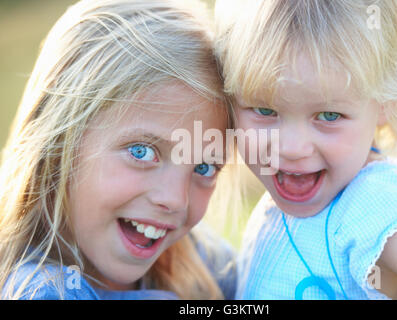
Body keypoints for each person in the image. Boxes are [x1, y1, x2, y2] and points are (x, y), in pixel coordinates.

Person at [0, 0, 236, 300]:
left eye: (204, 168)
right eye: (141, 152)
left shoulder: (198, 259)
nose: (175, 200)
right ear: (60, 145)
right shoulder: (42, 291)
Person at [215, 0, 397, 299]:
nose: (292, 148)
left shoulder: (374, 206)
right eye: (264, 110)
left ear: (385, 103)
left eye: (328, 116)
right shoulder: (287, 196)